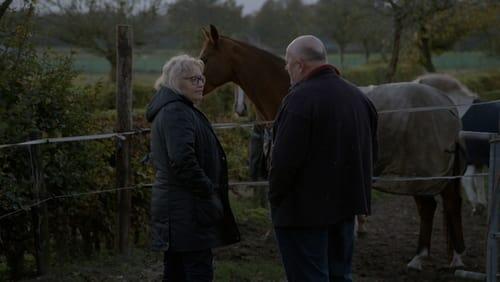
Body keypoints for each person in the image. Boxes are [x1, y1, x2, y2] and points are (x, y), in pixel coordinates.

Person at [268, 36, 378, 282]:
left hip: (302, 215)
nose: (287, 70)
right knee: (340, 276)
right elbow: (372, 153)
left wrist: (275, 199)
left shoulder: (299, 101)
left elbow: (284, 162)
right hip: (345, 210)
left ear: (299, 64)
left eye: (287, 64)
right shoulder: (358, 98)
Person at [146, 55, 240, 282]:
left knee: (177, 270)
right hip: (184, 208)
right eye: (193, 79)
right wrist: (207, 188)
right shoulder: (176, 112)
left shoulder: (179, 108)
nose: (201, 84)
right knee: (197, 271)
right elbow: (181, 159)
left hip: (183, 208)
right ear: (176, 82)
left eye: (202, 78)